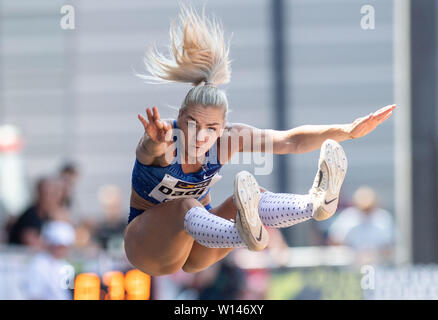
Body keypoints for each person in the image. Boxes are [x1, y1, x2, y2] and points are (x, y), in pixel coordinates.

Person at [123, 5, 395, 277]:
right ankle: (241, 232)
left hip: (199, 248)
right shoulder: (162, 139)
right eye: (192, 124)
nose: (200, 136)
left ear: (222, 128)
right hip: (147, 248)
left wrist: (347, 131)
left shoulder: (229, 138)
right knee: (186, 205)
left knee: (254, 197)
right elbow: (148, 150)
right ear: (180, 117)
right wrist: (154, 143)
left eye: (211, 128)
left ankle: (313, 205)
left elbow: (291, 141)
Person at [328, 186, 394, 263]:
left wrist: (376, 254)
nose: (366, 212)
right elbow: (334, 240)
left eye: (369, 208)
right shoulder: (347, 217)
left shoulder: (383, 218)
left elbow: (390, 245)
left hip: (378, 264)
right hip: (351, 263)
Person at [23, 220, 76, 300]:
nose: (63, 250)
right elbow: (34, 295)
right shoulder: (38, 264)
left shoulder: (65, 265)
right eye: (60, 246)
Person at [8, 177, 66, 248]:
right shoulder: (31, 215)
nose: (52, 199)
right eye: (47, 194)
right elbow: (30, 240)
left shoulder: (49, 215)